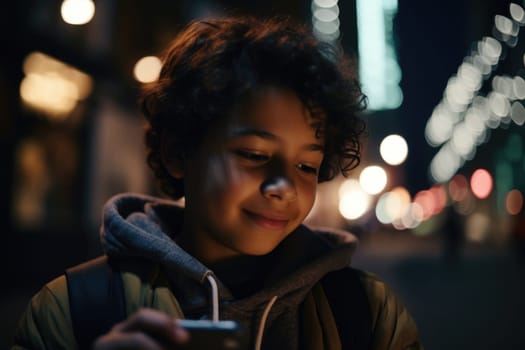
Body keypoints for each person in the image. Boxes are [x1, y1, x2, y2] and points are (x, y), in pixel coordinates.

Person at [12, 16, 423, 350]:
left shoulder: (366, 313)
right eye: (254, 156)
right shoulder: (74, 309)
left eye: (307, 167)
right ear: (178, 153)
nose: (282, 186)